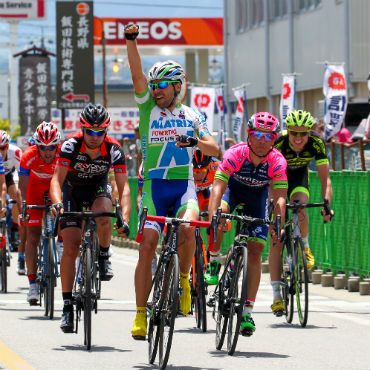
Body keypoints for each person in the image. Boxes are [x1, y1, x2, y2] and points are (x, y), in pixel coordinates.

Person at [124, 23, 219, 340]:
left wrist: (194, 142)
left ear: (179, 86)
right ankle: (140, 313)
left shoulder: (192, 115)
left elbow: (215, 148)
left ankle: (182, 282)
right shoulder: (147, 108)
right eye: (154, 85)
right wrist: (131, 40)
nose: (155, 90)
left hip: (183, 188)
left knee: (188, 228)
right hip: (152, 189)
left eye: (162, 85)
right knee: (148, 247)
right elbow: (136, 72)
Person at [50, 103, 131, 333]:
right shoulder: (70, 146)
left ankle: (104, 255)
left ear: (106, 131)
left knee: (105, 213)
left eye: (99, 132)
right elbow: (56, 180)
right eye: (89, 132)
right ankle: (66, 306)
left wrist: (124, 217)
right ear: (82, 129)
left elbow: (124, 189)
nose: (94, 137)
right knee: (71, 246)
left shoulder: (113, 149)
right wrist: (57, 202)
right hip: (72, 190)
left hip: (97, 188)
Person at [208, 112, 287, 336]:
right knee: (219, 214)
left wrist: (277, 223)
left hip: (257, 198)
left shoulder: (277, 160)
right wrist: (214, 216)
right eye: (258, 135)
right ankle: (214, 258)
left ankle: (247, 312)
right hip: (232, 192)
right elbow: (218, 187)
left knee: (255, 251)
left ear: (274, 139)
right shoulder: (235, 153)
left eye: (268, 136)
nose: (263, 140)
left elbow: (280, 197)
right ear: (249, 136)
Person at [269, 109, 334, 316]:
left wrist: (326, 205)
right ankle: (277, 296)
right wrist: (272, 204)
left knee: (300, 205)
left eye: (303, 134)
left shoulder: (316, 143)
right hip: (277, 179)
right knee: (276, 241)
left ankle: (304, 246)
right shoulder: (278, 142)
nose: (298, 138)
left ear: (310, 132)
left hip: (298, 178)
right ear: (288, 132)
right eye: (294, 133)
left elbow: (326, 180)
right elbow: (269, 175)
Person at [18, 122, 61, 304]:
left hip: (54, 192)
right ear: (37, 146)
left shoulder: (62, 155)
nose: (48, 151)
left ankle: (58, 245)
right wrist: (24, 209)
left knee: (63, 225)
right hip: (33, 193)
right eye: (43, 147)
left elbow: (67, 183)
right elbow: (22, 187)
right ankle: (33, 285)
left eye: (52, 147)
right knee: (32, 237)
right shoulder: (28, 157)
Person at [192, 149, 223, 285]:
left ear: (208, 166)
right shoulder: (186, 166)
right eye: (195, 172)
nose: (198, 175)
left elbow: (224, 190)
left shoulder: (216, 166)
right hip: (191, 193)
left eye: (201, 171)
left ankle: (212, 254)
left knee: (212, 221)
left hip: (206, 193)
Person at [0, 130, 26, 274]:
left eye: (2, 148)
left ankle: (16, 227)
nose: (0, 152)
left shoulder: (15, 152)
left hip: (9, 177)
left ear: (7, 146)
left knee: (17, 194)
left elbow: (22, 175)